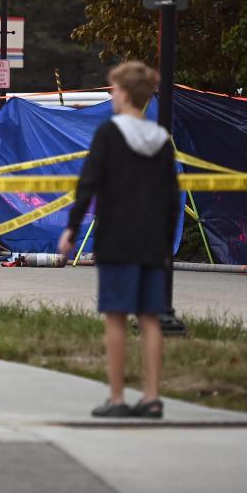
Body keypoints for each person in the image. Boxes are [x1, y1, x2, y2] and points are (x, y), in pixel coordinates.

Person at [58, 61, 179, 419]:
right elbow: (171, 197)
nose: (111, 96)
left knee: (115, 318)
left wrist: (72, 227)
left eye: (113, 90)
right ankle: (153, 397)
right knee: (150, 318)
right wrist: (167, 244)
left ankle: (117, 398)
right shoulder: (161, 140)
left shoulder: (109, 134)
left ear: (124, 94)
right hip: (153, 241)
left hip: (117, 238)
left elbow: (89, 182)